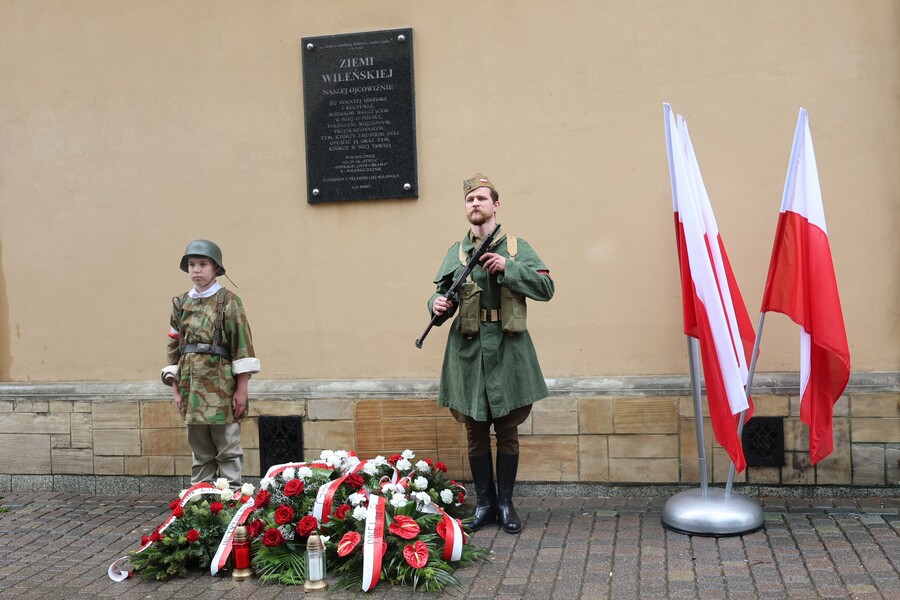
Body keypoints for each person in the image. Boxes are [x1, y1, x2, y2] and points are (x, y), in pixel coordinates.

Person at [427, 173, 554, 534]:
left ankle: (505, 503)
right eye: (470, 200)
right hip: (468, 351)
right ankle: (484, 504)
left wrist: (508, 267)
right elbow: (443, 296)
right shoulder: (457, 251)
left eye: (482, 199)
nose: (475, 204)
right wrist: (434, 304)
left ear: (496, 204)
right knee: (475, 431)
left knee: (508, 429)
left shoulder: (516, 247)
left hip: (508, 348)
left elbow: (546, 287)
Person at [160, 239, 260, 486]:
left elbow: (243, 346)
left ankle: (232, 502)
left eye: (203, 264)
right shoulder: (181, 303)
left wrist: (242, 389)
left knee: (227, 447)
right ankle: (201, 504)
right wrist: (177, 389)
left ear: (216, 268)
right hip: (191, 386)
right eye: (192, 264)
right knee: (201, 452)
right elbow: (174, 347)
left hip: (221, 387)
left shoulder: (229, 301)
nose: (196, 270)